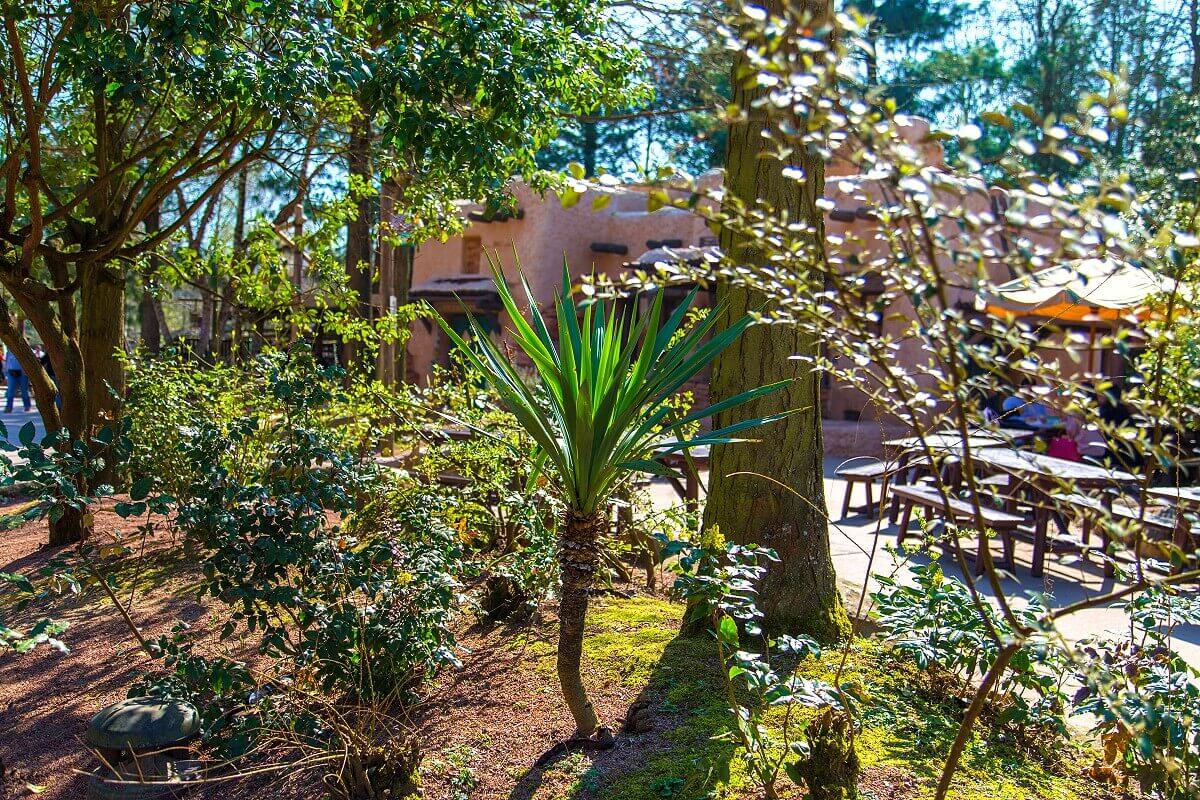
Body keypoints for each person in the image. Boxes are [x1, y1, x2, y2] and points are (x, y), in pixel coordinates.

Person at [4, 346, 30, 413]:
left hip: (22, 373)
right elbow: (7, 363)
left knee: (24, 391)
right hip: (11, 373)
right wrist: (6, 374)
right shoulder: (9, 352)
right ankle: (9, 407)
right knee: (10, 391)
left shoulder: (23, 350)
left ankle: (27, 406)